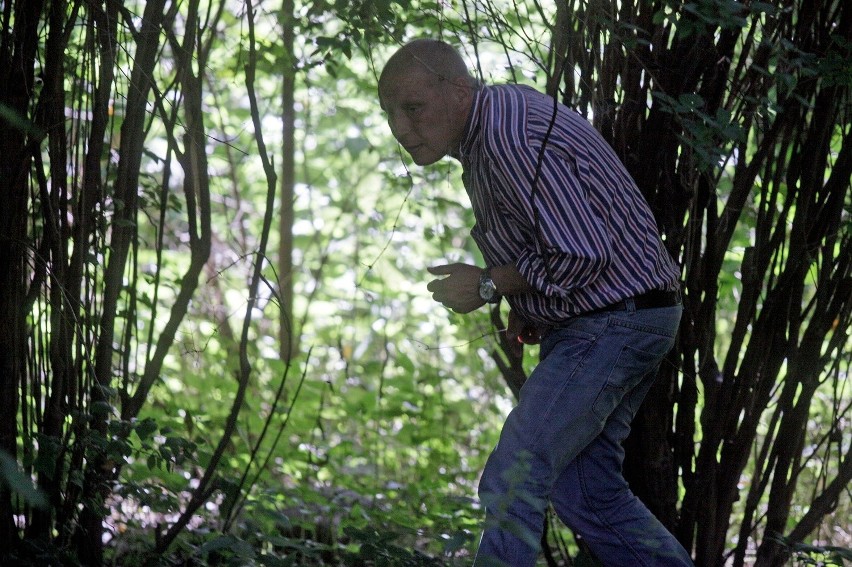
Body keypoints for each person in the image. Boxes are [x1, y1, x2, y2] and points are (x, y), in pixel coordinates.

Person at [378, 38, 694, 567]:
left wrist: (487, 285)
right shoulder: (488, 131)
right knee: (585, 491)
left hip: (614, 323)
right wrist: (531, 307)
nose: (401, 129)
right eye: (390, 113)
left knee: (515, 472)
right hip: (625, 317)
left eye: (413, 108)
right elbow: (561, 243)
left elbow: (581, 252)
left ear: (459, 91)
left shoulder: (506, 134)